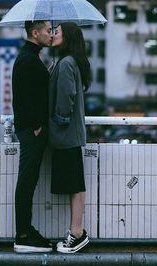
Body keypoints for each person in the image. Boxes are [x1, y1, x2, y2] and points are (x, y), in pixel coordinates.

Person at [49, 22, 91, 253]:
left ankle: (77, 233)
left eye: (57, 31)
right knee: (75, 183)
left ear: (68, 37)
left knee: (75, 185)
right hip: (71, 135)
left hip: (66, 134)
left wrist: (59, 119)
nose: (53, 34)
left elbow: (66, 96)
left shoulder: (66, 63)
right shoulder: (68, 62)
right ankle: (76, 231)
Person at [12, 20, 53, 253]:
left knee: (29, 179)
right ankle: (23, 235)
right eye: (48, 31)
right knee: (27, 180)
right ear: (35, 33)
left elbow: (32, 89)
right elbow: (25, 97)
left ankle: (26, 231)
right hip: (31, 130)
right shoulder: (28, 59)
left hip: (29, 128)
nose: (51, 34)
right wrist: (37, 124)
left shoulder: (30, 57)